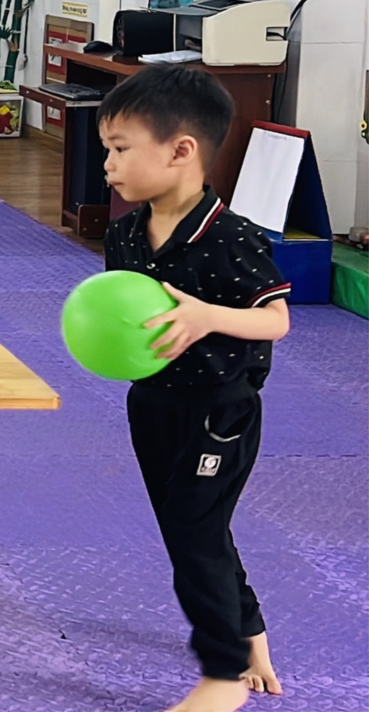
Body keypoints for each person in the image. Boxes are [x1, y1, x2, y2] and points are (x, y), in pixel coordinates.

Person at [98, 65, 292, 712]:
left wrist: (208, 316)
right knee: (194, 531)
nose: (108, 165)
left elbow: (276, 320)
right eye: (107, 149)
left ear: (181, 150)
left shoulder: (233, 238)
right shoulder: (123, 233)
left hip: (219, 410)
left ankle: (223, 672)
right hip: (152, 404)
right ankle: (250, 630)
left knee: (195, 530)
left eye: (120, 148)